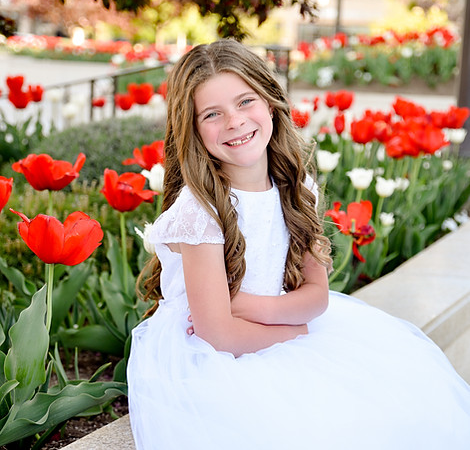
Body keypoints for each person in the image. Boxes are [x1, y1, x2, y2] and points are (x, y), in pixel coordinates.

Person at [127, 39, 470, 450]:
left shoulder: (294, 187)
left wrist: (249, 307)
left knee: (396, 402)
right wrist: (296, 332)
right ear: (193, 129)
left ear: (271, 104)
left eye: (245, 102)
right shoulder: (201, 211)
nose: (235, 122)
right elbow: (218, 334)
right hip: (211, 359)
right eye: (212, 114)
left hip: (277, 328)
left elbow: (317, 296)